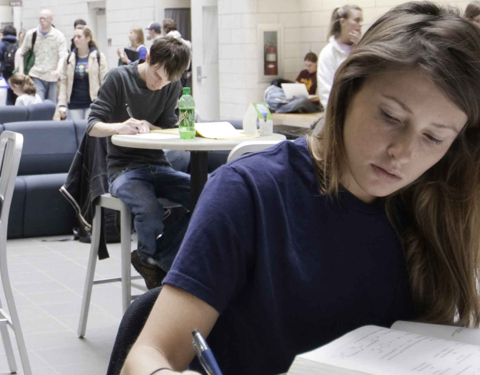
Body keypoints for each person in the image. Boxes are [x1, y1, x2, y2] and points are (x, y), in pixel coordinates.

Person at [115, 3, 480, 375]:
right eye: (389, 116)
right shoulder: (250, 193)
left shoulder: (438, 204)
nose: (402, 153)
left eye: (434, 137)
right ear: (347, 90)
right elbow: (147, 357)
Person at [88, 37, 191, 290]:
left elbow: (167, 128)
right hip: (122, 169)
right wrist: (121, 127)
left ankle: (154, 259)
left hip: (159, 164)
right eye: (157, 75)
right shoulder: (118, 78)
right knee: (149, 210)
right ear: (147, 59)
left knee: (212, 196)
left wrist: (150, 126)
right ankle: (154, 260)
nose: (160, 85)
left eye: (168, 80)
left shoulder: (170, 85)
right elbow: (92, 126)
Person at [58, 27, 108, 122]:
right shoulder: (69, 58)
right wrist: (62, 104)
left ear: (88, 38)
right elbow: (64, 82)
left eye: (79, 37)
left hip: (92, 102)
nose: (76, 40)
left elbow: (104, 81)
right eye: (74, 37)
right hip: (74, 103)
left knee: (90, 132)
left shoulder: (98, 57)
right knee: (78, 133)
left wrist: (104, 101)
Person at [317, 5, 362, 108]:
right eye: (356, 20)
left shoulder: (363, 48)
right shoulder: (328, 53)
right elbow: (326, 93)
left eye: (361, 20)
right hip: (339, 113)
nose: (360, 24)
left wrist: (361, 49)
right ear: (343, 22)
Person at [18, 9, 67, 103]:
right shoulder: (31, 34)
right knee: (39, 104)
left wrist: (58, 70)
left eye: (44, 19)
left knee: (51, 106)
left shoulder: (59, 36)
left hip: (53, 77)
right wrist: (21, 73)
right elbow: (21, 53)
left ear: (51, 20)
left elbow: (62, 56)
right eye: (40, 18)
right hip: (36, 75)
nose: (42, 21)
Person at [0, 25, 18, 105]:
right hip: (17, 71)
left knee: (7, 93)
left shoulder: (2, 44)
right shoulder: (18, 43)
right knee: (16, 90)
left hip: (6, 72)